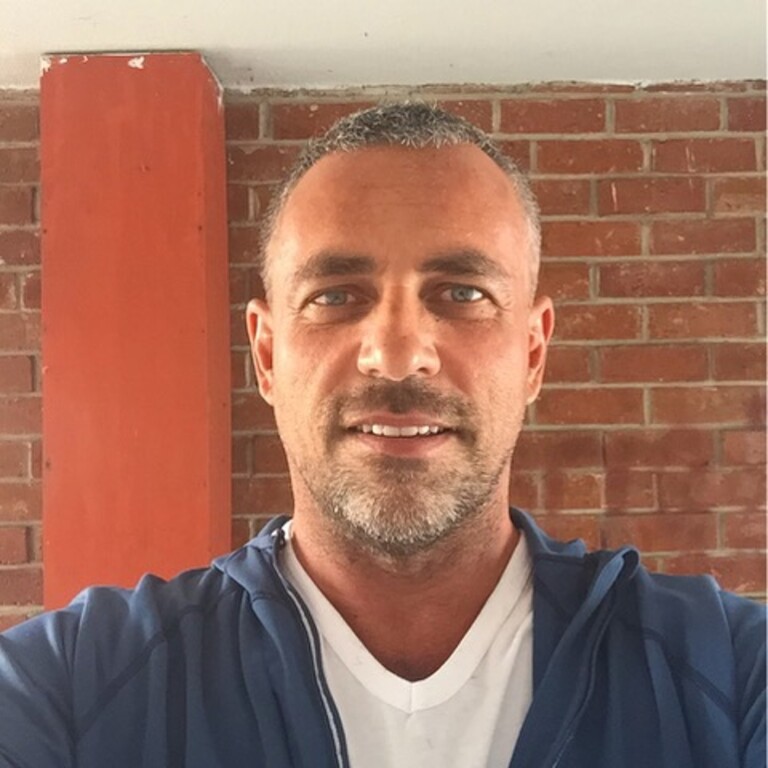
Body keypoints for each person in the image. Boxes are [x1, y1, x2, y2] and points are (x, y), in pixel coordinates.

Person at [0, 103, 764, 768]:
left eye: (461, 292)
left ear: (532, 354)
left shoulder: (732, 675)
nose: (397, 355)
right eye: (336, 296)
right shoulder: (69, 688)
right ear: (267, 356)